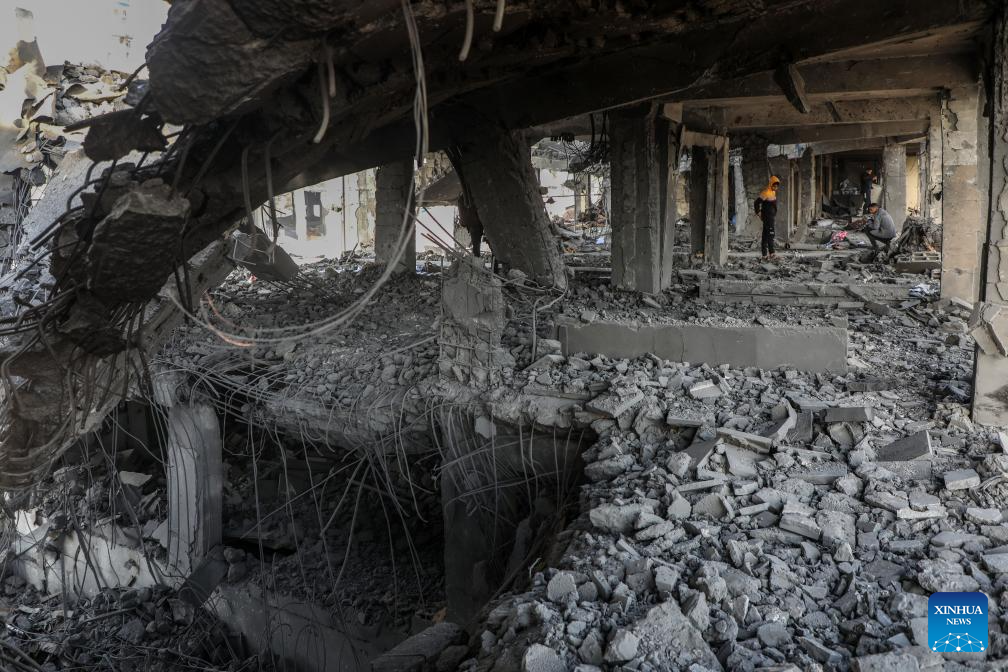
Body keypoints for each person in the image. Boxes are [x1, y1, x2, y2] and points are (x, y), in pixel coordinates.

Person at [754, 175, 781, 260]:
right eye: (774, 186)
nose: (775, 188)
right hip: (767, 217)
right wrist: (758, 212)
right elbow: (756, 203)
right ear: (770, 184)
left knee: (765, 235)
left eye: (777, 186)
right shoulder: (765, 193)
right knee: (771, 234)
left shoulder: (773, 192)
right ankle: (772, 254)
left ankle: (764, 255)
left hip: (771, 217)